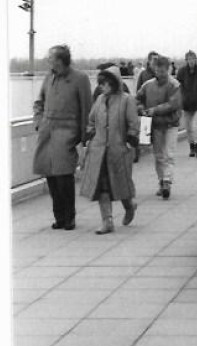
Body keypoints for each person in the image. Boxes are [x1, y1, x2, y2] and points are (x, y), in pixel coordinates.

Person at [32, 44, 92, 230]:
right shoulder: (49, 77)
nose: (48, 61)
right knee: (50, 175)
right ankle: (59, 216)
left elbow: (86, 108)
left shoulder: (80, 79)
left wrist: (84, 136)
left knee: (64, 175)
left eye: (51, 58)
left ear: (60, 60)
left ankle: (69, 216)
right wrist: (39, 122)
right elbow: (39, 102)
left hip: (67, 131)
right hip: (47, 131)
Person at [80, 66, 139, 233]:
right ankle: (108, 221)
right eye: (100, 83)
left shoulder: (127, 100)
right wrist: (90, 137)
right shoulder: (99, 100)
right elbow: (91, 121)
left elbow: (133, 124)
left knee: (121, 185)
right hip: (99, 152)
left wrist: (129, 141)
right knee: (102, 187)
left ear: (114, 83)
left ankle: (129, 206)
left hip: (118, 150)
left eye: (105, 83)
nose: (102, 87)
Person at [136, 55, 182, 199]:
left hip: (171, 124)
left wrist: (154, 110)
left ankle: (167, 180)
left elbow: (173, 104)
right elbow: (137, 99)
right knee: (158, 156)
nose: (160, 73)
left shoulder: (175, 85)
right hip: (155, 125)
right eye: (157, 70)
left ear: (167, 70)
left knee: (169, 154)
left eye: (162, 71)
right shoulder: (147, 85)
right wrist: (141, 108)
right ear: (154, 69)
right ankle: (162, 181)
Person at [176, 50, 197, 158]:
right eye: (189, 59)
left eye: (193, 59)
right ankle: (192, 147)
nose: (191, 61)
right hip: (186, 104)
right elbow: (178, 85)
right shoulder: (181, 71)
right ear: (186, 60)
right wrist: (182, 96)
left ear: (196, 59)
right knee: (189, 127)